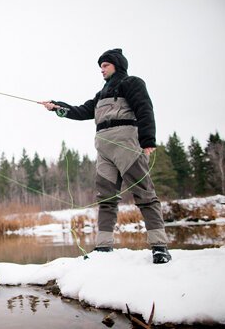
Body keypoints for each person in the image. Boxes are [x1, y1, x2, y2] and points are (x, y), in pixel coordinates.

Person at [40, 48, 172, 264]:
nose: (101, 70)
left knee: (145, 195)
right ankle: (103, 247)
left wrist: (148, 140)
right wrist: (57, 107)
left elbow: (145, 109)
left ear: (117, 65)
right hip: (103, 149)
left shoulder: (132, 83)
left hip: (127, 144)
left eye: (105, 65)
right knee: (106, 199)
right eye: (100, 66)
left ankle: (159, 247)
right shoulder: (100, 94)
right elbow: (82, 111)